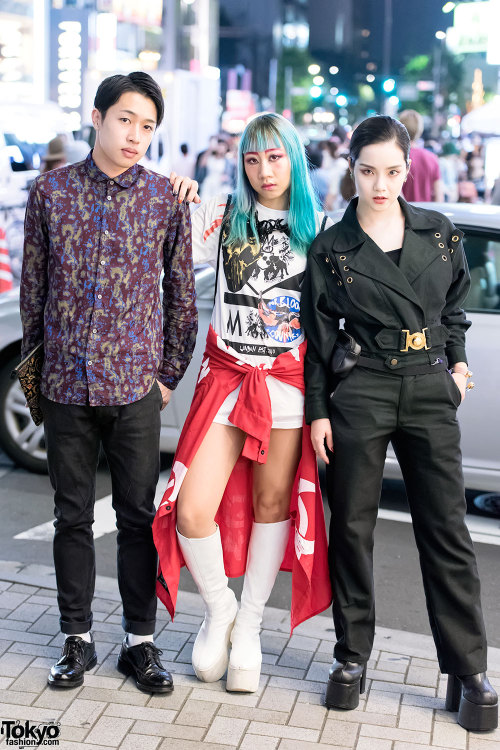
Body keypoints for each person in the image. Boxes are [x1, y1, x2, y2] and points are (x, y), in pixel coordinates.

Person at [301, 115, 498, 732]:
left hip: (429, 385)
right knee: (352, 528)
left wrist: (459, 366)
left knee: (447, 530)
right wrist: (317, 413)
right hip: (362, 388)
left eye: (391, 171)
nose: (379, 184)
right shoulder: (331, 248)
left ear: (407, 168)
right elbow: (316, 340)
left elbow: (456, 309)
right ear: (350, 169)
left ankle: (468, 669)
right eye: (367, 171)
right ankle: (351, 657)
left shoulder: (439, 233)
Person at [20, 72, 200, 693]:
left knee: (137, 518)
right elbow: (33, 293)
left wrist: (168, 377)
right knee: (71, 517)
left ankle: (140, 643)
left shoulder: (164, 199)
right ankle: (77, 640)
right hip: (68, 384)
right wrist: (40, 378)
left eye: (147, 126)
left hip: (135, 389)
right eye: (126, 120)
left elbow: (181, 296)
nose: (136, 135)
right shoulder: (50, 193)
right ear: (96, 117)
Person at [153, 112, 332, 694]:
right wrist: (177, 186)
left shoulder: (323, 228)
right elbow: (162, 210)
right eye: (252, 159)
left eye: (275, 157)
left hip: (286, 385)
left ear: (295, 160)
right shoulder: (225, 215)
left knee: (272, 504)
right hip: (228, 379)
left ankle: (251, 626)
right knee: (190, 507)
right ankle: (221, 609)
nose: (263, 170)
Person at [399, 109, 444, 202]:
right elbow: (439, 196)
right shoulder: (432, 158)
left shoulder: (396, 157)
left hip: (402, 213)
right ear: (420, 130)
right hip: (425, 214)